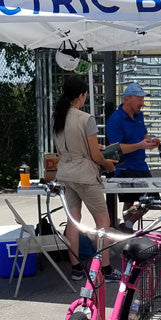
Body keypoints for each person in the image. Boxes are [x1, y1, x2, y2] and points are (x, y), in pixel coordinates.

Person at [51, 75, 120, 281]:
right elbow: (95, 155)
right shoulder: (86, 118)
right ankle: (106, 269)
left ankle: (76, 269)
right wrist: (107, 163)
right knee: (103, 221)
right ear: (81, 95)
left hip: (65, 173)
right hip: (85, 175)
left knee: (73, 220)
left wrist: (91, 149)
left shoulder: (57, 117)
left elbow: (70, 146)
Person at [105, 82, 160, 230]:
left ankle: (127, 226)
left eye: (143, 99)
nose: (142, 103)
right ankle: (127, 227)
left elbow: (143, 135)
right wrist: (140, 145)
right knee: (129, 200)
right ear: (127, 99)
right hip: (124, 168)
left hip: (141, 165)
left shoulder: (139, 115)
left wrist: (150, 142)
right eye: (139, 99)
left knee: (151, 200)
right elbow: (115, 149)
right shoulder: (115, 120)